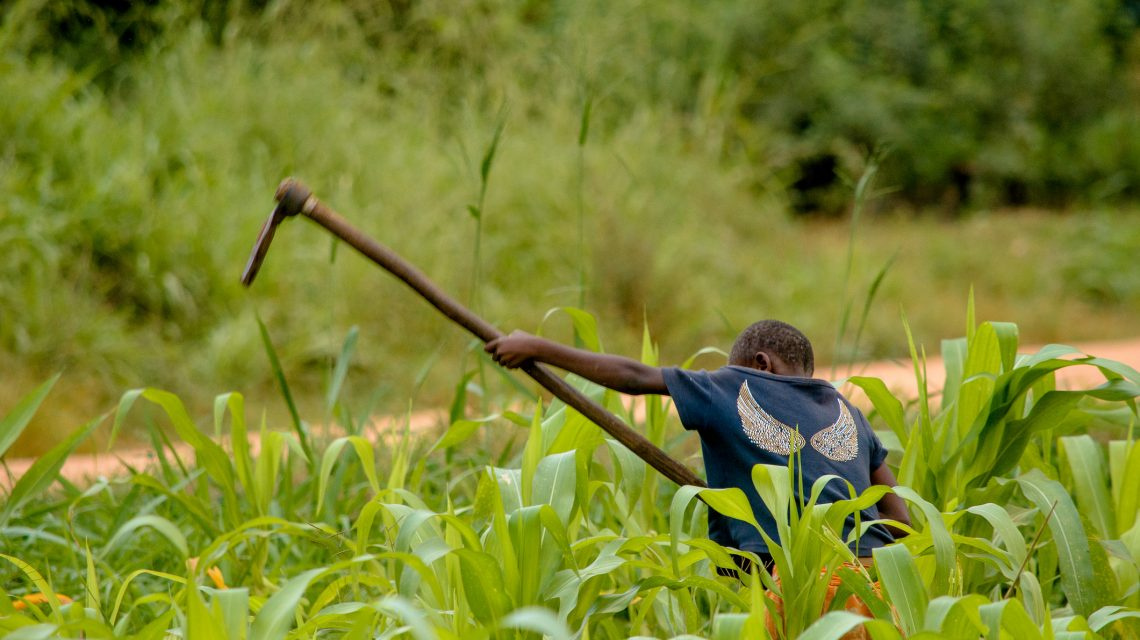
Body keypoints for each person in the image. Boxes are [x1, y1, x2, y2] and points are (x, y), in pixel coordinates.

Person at [485, 319, 911, 574]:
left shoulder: (736, 384)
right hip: (871, 583)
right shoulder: (846, 412)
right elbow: (900, 520)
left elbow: (634, 376)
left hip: (800, 582)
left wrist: (537, 348)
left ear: (761, 363)